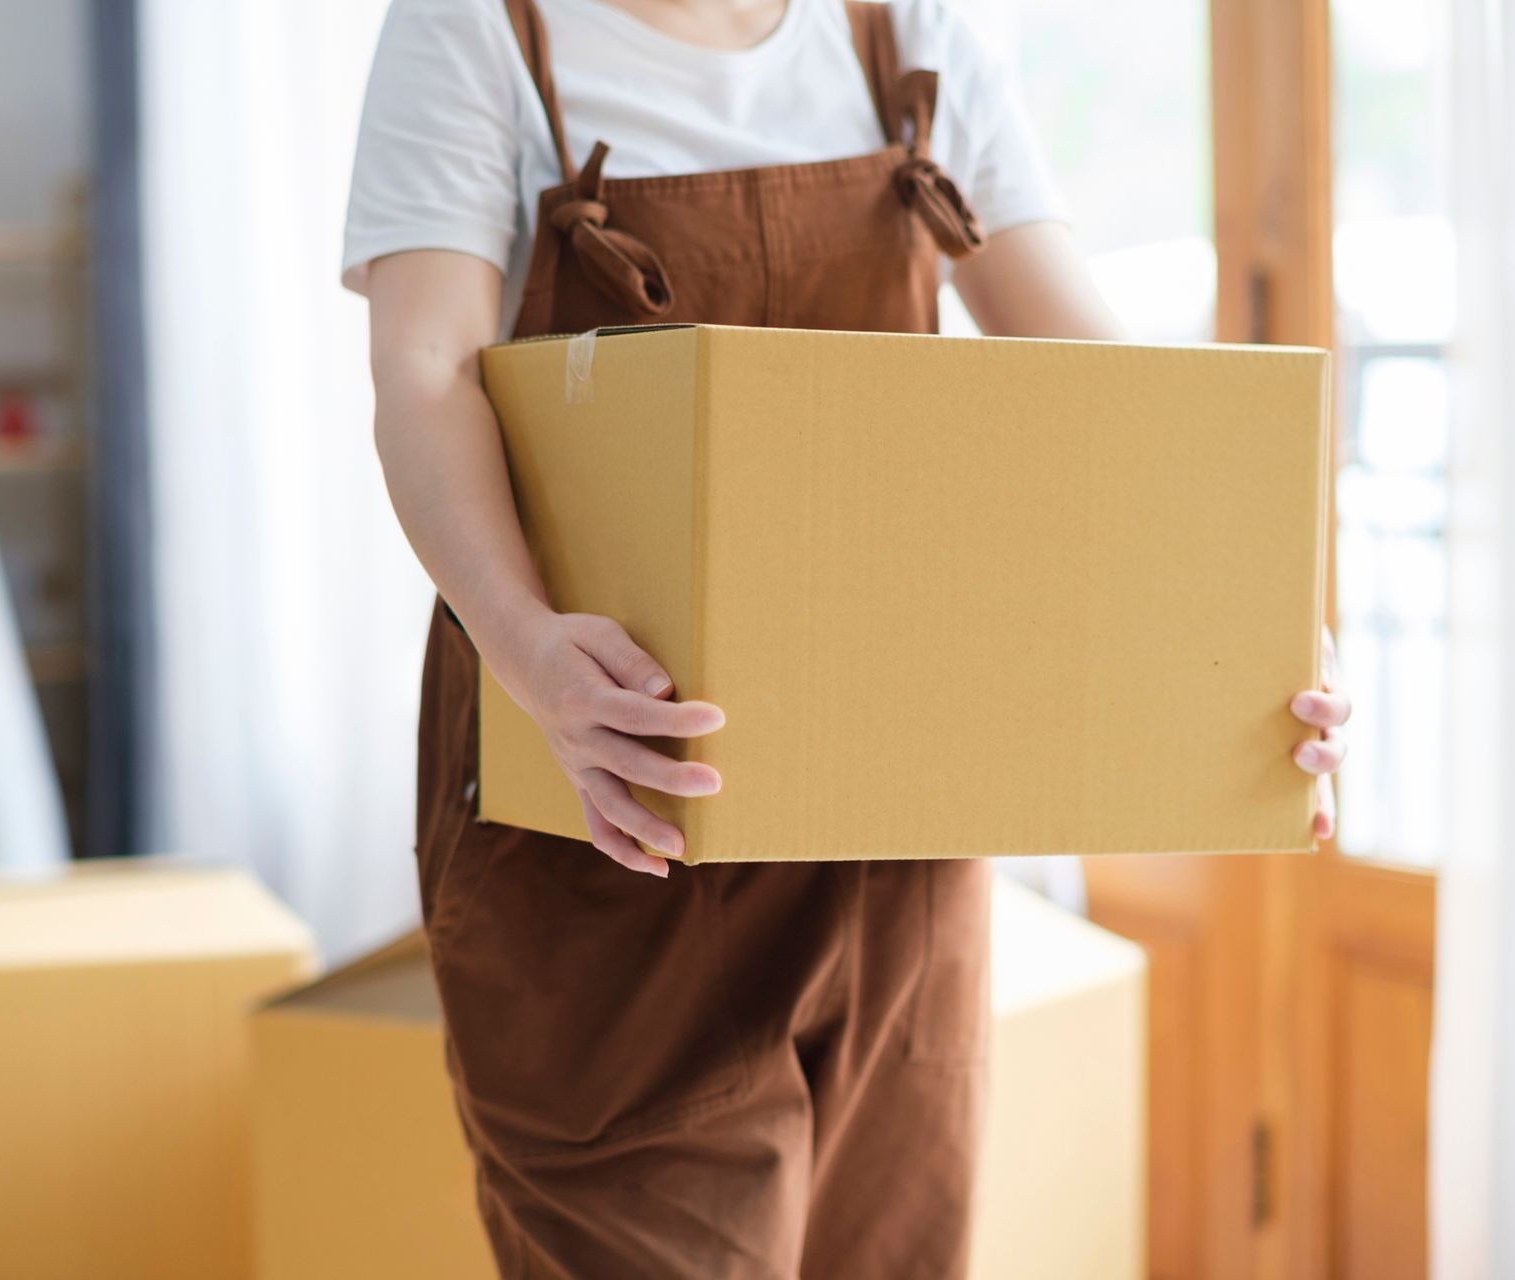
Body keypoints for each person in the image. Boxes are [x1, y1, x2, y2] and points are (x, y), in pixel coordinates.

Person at [343, 0, 1351, 1275]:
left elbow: (1102, 390)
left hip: (891, 843)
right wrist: (524, 640)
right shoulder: (482, 29)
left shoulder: (908, 26)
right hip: (612, 813)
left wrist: (1248, 625)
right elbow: (423, 371)